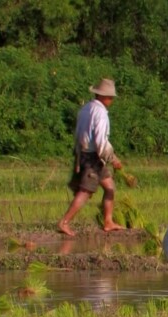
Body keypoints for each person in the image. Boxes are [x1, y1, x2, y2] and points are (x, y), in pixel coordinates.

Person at [58, 78, 124, 237]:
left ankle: (108, 221)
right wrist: (112, 158)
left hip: (83, 152)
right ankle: (64, 222)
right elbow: (101, 141)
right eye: (110, 97)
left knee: (110, 187)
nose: (112, 100)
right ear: (104, 96)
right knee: (86, 191)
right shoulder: (101, 114)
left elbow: (79, 132)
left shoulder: (86, 108)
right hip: (92, 156)